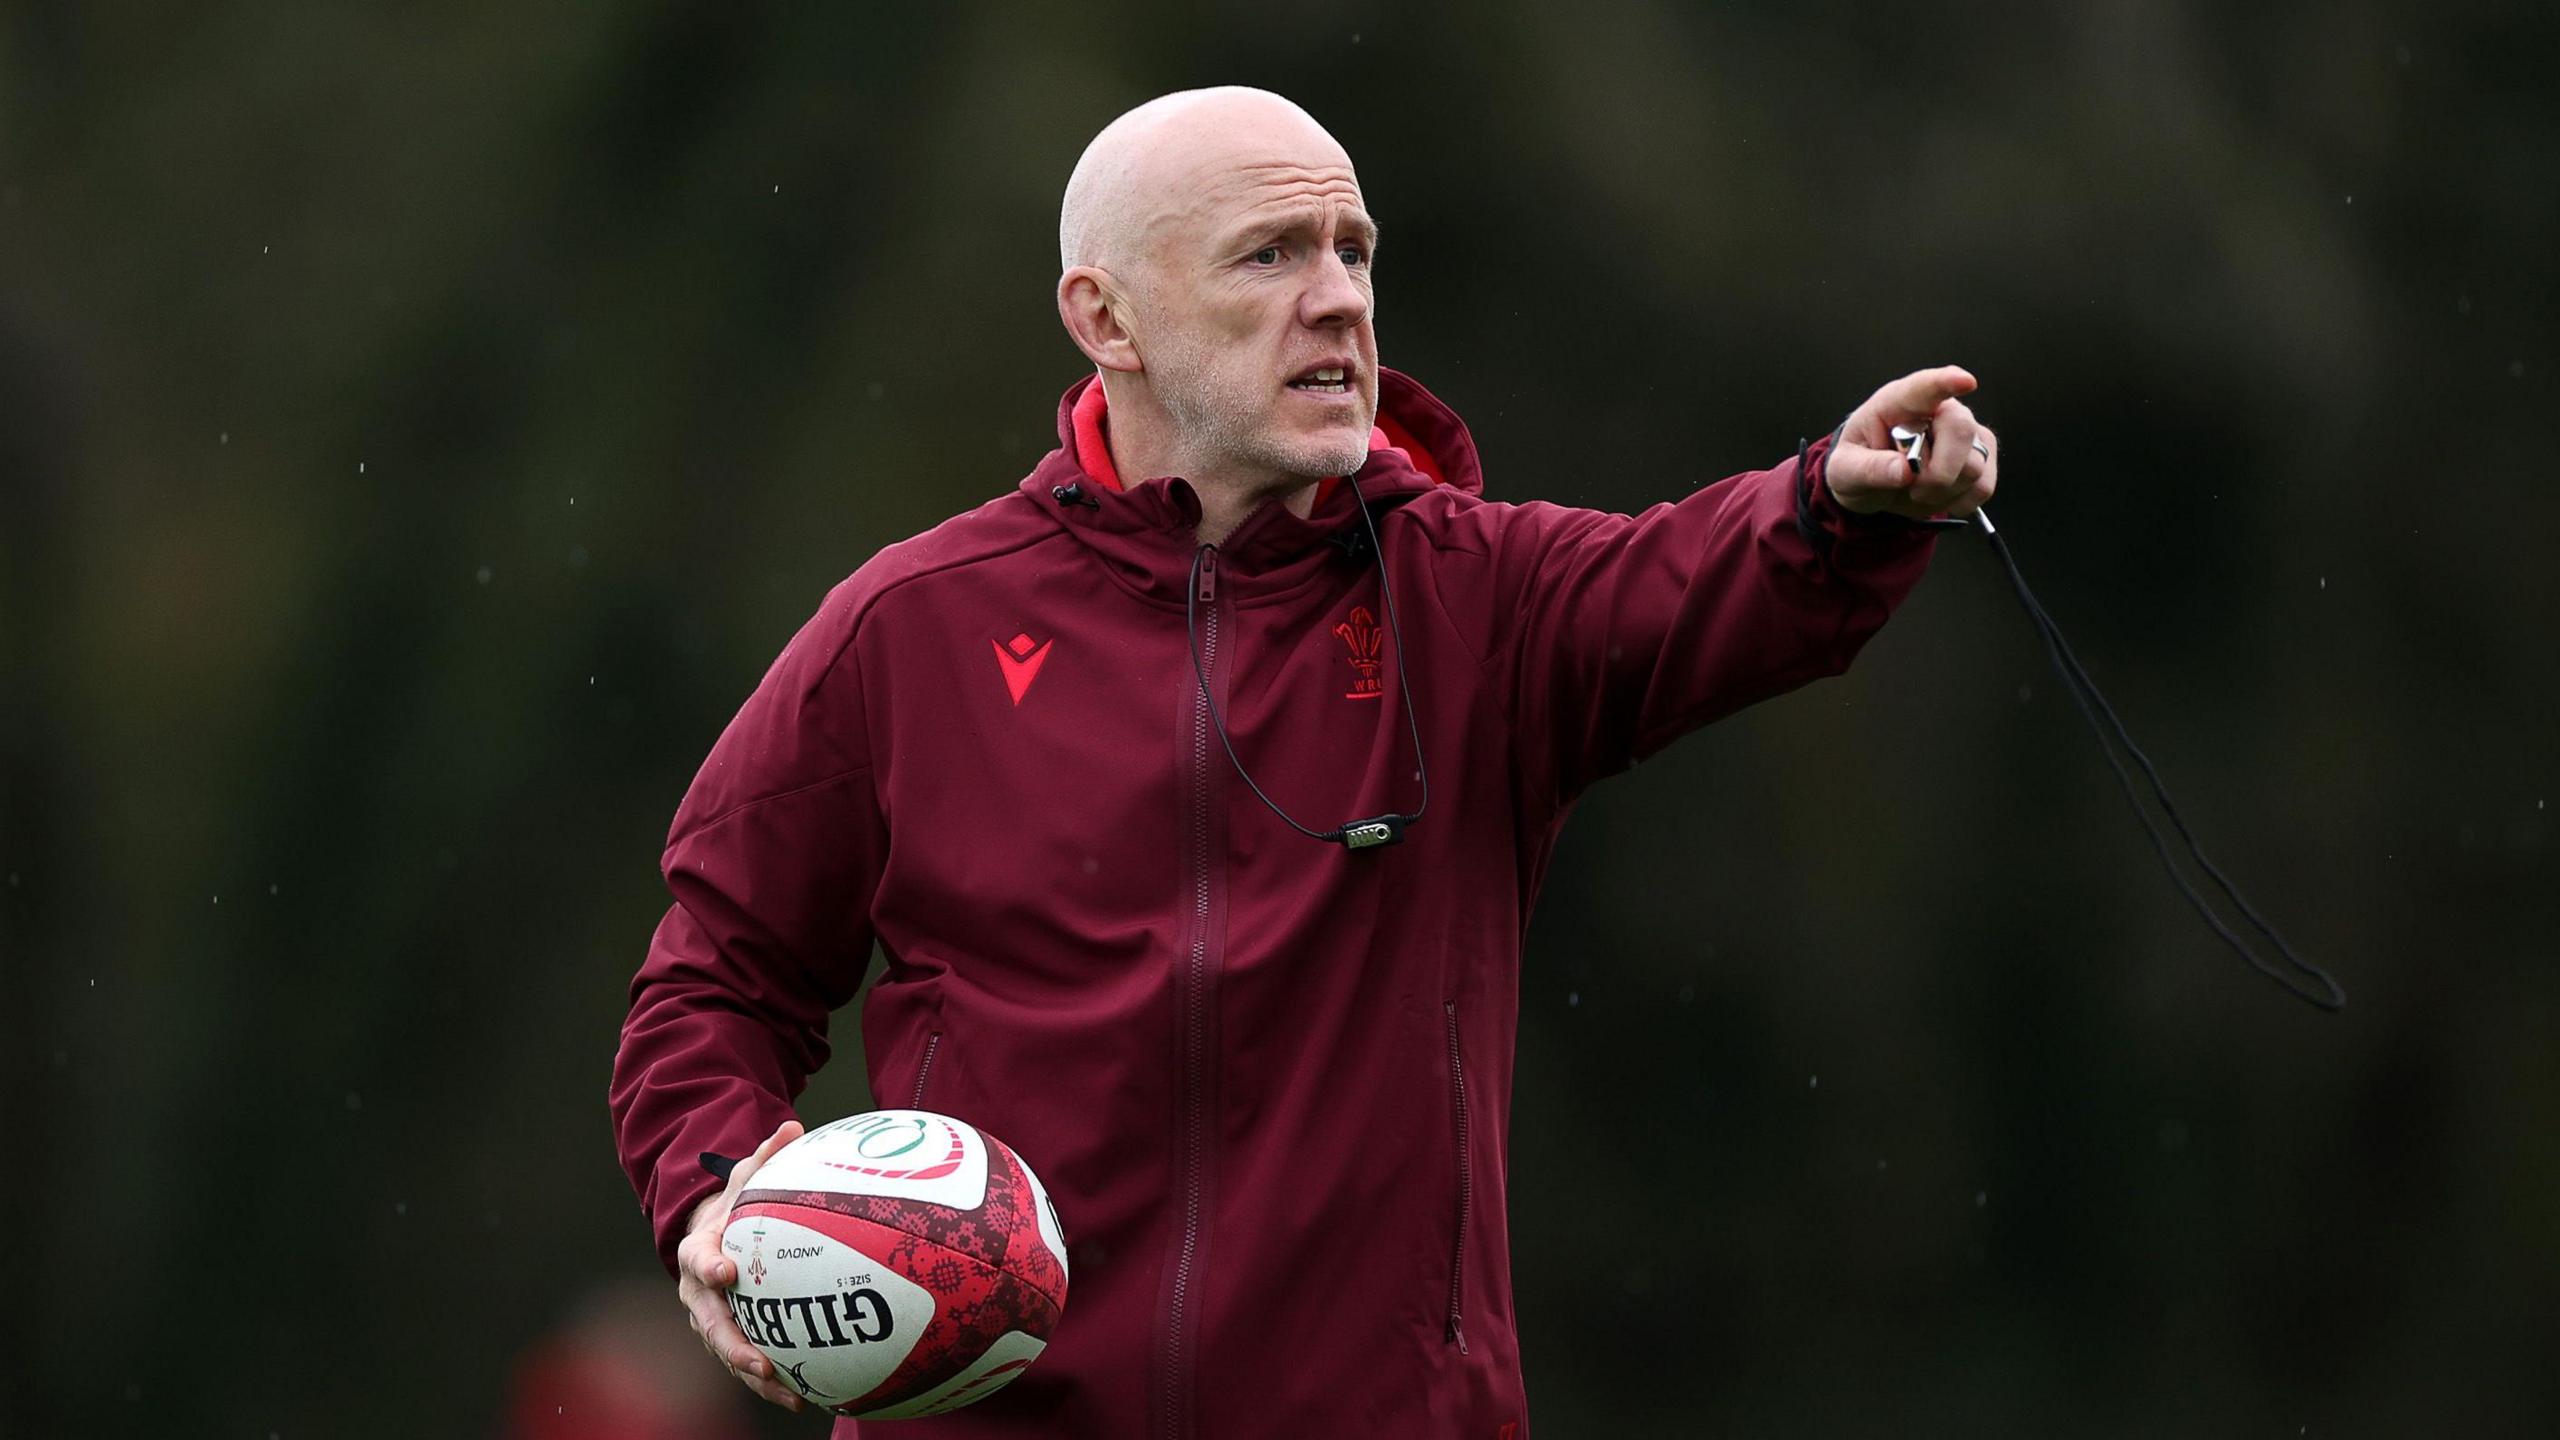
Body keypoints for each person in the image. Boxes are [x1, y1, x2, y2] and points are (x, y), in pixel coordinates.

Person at [609, 85, 1997, 1438]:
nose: (1338, 297)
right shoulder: (909, 629)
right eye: (1271, 254)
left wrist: (1840, 505)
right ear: (1107, 319)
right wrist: (722, 1189)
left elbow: (1703, 578)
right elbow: (711, 982)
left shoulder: (1478, 602)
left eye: (1355, 253)